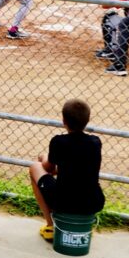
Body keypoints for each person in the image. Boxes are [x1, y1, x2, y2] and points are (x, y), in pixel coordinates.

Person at [29, 99, 105, 242]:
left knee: (35, 167)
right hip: (93, 201)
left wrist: (44, 157)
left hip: (64, 201)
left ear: (64, 121)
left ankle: (51, 226)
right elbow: (78, 166)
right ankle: (83, 227)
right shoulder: (95, 142)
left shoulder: (58, 141)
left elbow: (49, 168)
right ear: (87, 120)